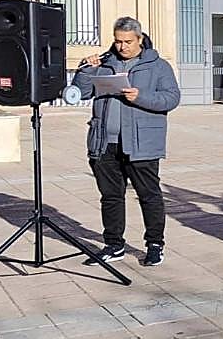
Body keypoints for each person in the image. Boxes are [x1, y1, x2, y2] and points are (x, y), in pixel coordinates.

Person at [73, 16, 181, 267]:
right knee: (110, 196)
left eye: (128, 42)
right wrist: (86, 70)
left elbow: (171, 99)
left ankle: (155, 245)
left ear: (140, 39)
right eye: (118, 41)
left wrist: (140, 97)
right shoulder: (104, 63)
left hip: (142, 143)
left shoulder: (158, 66)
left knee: (149, 196)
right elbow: (81, 93)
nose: (122, 47)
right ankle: (113, 245)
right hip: (104, 143)